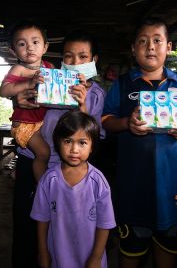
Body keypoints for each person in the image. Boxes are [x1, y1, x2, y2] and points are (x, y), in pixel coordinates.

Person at [101, 18, 177, 268]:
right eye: (143, 41)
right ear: (133, 48)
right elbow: (106, 120)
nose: (150, 46)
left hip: (174, 184)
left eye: (157, 40)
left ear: (168, 47)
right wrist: (127, 123)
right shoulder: (123, 84)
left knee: (168, 251)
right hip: (133, 186)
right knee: (131, 253)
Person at [11, 29, 106, 268]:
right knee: (28, 229)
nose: (75, 63)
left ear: (94, 60)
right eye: (68, 57)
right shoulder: (50, 79)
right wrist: (19, 99)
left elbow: (92, 136)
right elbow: (24, 107)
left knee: (65, 230)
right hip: (33, 161)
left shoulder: (96, 94)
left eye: (83, 57)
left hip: (70, 171)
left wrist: (82, 104)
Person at [30, 110, 116, 268]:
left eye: (82, 142)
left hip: (90, 257)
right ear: (58, 142)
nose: (74, 149)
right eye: (67, 141)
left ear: (92, 146)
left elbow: (105, 224)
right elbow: (42, 220)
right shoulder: (48, 181)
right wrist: (43, 252)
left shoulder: (98, 182)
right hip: (58, 257)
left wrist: (96, 257)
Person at [0, 20, 52, 182]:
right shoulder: (19, 70)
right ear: (13, 51)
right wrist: (28, 83)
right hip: (25, 124)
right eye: (22, 44)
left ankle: (19, 171)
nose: (29, 47)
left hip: (43, 121)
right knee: (43, 153)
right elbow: (4, 90)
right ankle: (41, 189)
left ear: (45, 47)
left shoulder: (49, 67)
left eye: (35, 42)